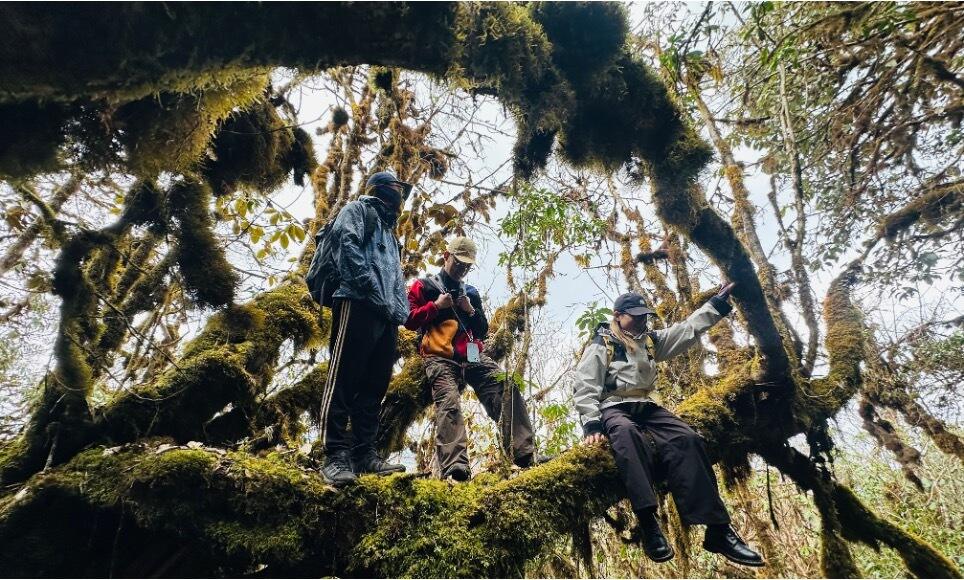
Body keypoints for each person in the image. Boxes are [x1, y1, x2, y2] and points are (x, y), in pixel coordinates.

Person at [573, 285, 765, 567]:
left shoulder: (651, 341)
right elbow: (585, 384)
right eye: (635, 316)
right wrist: (591, 424)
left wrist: (716, 305)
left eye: (644, 316)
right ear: (618, 316)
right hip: (614, 407)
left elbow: (686, 330)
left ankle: (718, 530)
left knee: (687, 438)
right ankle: (649, 522)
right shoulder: (604, 343)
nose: (642, 321)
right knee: (626, 436)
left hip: (647, 407)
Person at [405, 237, 539, 481]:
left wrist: (471, 311)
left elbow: (482, 330)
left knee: (506, 385)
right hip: (440, 357)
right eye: (458, 263)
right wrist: (435, 306)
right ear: (446, 256)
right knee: (449, 402)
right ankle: (456, 468)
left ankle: (525, 454)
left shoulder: (471, 293)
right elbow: (408, 318)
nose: (462, 269)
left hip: (473, 356)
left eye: (467, 266)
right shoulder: (424, 286)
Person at [318, 170, 412, 486]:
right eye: (398, 187)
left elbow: (396, 277)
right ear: (382, 188)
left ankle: (364, 454)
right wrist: (370, 288)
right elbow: (347, 243)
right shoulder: (358, 210)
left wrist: (400, 310)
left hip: (387, 318)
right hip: (357, 303)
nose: (402, 194)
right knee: (343, 379)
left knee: (374, 388)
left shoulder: (391, 233)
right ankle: (334, 455)